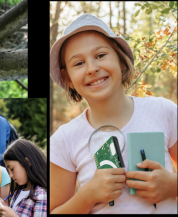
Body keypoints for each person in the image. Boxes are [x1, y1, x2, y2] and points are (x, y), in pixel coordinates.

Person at [50, 13, 177, 214]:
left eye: (100, 55)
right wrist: (88, 195)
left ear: (121, 60)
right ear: (68, 78)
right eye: (78, 63)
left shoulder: (163, 111)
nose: (92, 68)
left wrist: (173, 185)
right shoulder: (64, 140)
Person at [0, 139, 47, 217]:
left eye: (12, 169)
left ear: (27, 162)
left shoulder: (41, 195)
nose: (10, 175)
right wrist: (3, 208)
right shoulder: (18, 192)